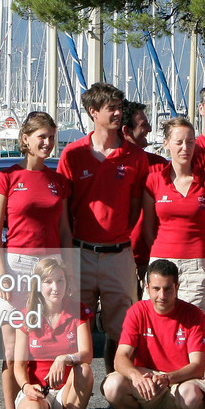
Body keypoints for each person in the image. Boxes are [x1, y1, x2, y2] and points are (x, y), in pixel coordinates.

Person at [0, 111, 73, 409]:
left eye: (51, 137)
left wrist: (69, 273)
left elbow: (64, 231)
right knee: (12, 350)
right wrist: (1, 273)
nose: (47, 143)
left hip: (51, 269)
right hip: (17, 267)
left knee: (49, 343)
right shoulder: (6, 178)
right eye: (41, 137)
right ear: (25, 139)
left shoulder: (57, 181)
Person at [57, 83, 147, 375]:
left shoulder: (135, 157)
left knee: (122, 334)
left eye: (120, 108)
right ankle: (72, 397)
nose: (118, 114)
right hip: (80, 253)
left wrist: (118, 236)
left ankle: (117, 390)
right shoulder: (72, 154)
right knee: (73, 331)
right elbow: (63, 210)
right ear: (93, 112)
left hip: (118, 255)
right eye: (111, 109)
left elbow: (135, 208)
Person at [103, 259, 205, 409]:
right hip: (147, 381)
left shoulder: (193, 314)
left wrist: (168, 377)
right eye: (156, 289)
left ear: (177, 287)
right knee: (112, 386)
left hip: (180, 382)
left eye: (168, 289)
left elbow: (197, 366)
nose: (162, 296)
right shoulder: (137, 311)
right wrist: (136, 376)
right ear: (147, 288)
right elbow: (120, 358)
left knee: (191, 395)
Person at [12, 256, 95, 409]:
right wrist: (25, 387)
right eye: (48, 282)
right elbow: (18, 365)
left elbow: (87, 354)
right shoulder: (26, 315)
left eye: (60, 281)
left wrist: (65, 358)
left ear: (67, 283)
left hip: (66, 392)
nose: (55, 287)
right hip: (38, 391)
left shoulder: (77, 309)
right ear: (38, 285)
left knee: (84, 369)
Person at [142, 116, 205, 319]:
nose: (185, 148)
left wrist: (203, 255)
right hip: (160, 262)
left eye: (190, 142)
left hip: (196, 265)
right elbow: (148, 229)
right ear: (166, 143)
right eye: (179, 142)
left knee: (194, 324)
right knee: (157, 323)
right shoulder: (153, 181)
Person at [122, 99, 165, 271]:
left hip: (152, 260)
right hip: (119, 258)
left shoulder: (161, 166)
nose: (150, 129)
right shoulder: (109, 167)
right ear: (126, 131)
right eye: (143, 125)